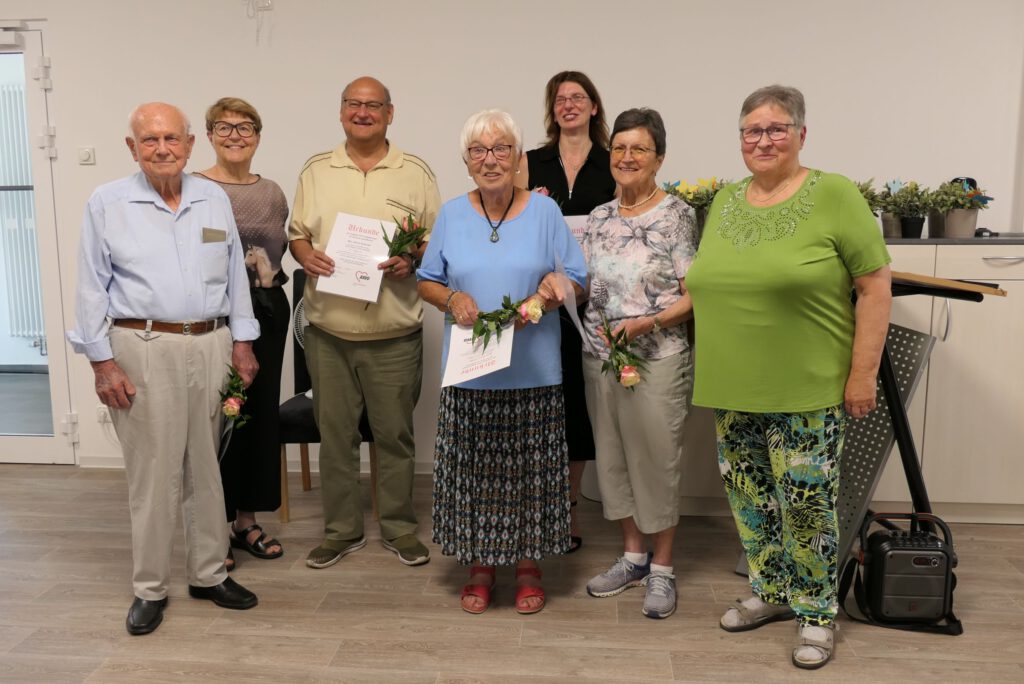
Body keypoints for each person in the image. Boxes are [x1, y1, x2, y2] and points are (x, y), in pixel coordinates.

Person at [685, 85, 892, 669]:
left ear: (802, 134)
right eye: (751, 130)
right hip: (733, 387)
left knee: (806, 509)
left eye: (776, 128)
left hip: (806, 388)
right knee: (751, 501)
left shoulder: (835, 194)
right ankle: (773, 592)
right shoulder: (726, 200)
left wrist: (863, 374)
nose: (763, 140)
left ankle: (818, 613)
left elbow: (875, 285)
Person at [67, 102, 261, 636]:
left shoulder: (213, 198)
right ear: (132, 148)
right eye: (149, 140)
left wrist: (243, 342)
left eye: (171, 138)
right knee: (154, 473)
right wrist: (101, 362)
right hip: (142, 344)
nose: (162, 149)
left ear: (190, 144)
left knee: (207, 465)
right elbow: (90, 286)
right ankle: (150, 587)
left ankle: (208, 573)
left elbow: (235, 276)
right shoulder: (108, 202)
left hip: (211, 342)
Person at [418, 109, 587, 615]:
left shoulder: (545, 212)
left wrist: (554, 290)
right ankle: (481, 566)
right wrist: (452, 299)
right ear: (467, 160)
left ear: (517, 157)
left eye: (500, 149)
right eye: (478, 150)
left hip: (533, 369)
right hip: (469, 373)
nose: (490, 159)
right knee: (476, 472)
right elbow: (427, 280)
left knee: (530, 474)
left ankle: (529, 566)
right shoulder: (451, 214)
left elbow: (577, 279)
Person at [289, 76, 440, 569]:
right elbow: (297, 234)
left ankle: (398, 528)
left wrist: (412, 260)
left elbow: (434, 243)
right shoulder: (316, 169)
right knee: (335, 439)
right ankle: (341, 531)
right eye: (354, 103)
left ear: (390, 113)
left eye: (373, 105)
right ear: (341, 111)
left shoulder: (415, 171)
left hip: (394, 334)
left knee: (395, 437)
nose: (363, 112)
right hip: (328, 334)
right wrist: (305, 256)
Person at [580, 108, 697, 620]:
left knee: (656, 462)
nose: (627, 157)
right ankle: (632, 557)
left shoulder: (676, 215)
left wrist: (648, 324)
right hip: (600, 357)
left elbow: (695, 296)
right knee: (612, 460)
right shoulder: (599, 217)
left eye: (639, 149)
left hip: (657, 359)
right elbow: (588, 287)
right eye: (619, 148)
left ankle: (663, 568)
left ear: (659, 158)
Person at [515, 70, 616, 553]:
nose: (569, 105)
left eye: (578, 97)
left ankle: (569, 506)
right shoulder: (530, 162)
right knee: (542, 401)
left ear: (594, 106)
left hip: (597, 303)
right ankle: (538, 503)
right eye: (560, 99)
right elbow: (509, 221)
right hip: (543, 302)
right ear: (551, 109)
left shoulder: (613, 161)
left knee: (577, 406)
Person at [194, 97, 289, 570]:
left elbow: (280, 247)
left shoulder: (272, 192)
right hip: (219, 314)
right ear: (209, 135)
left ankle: (246, 520)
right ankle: (213, 525)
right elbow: (199, 250)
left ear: (258, 135)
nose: (235, 135)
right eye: (224, 127)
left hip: (268, 310)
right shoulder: (195, 188)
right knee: (219, 418)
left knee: (258, 416)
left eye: (245, 126)